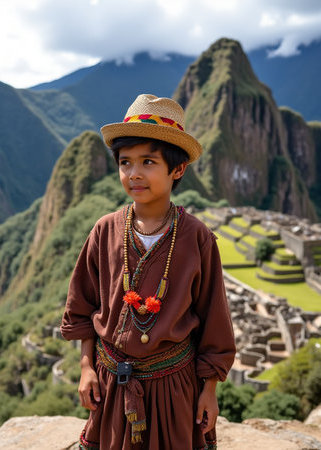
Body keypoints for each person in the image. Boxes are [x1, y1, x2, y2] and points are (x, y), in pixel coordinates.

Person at [61, 94, 236, 450]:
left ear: (177, 169)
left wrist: (210, 391)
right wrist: (86, 367)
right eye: (125, 162)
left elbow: (213, 317)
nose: (134, 174)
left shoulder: (196, 238)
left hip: (173, 388)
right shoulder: (105, 231)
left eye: (148, 162)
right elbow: (83, 306)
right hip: (111, 385)